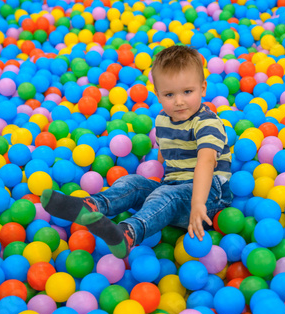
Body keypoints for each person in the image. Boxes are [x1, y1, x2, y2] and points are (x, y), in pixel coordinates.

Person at [41, 45, 232, 259]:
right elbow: (166, 150)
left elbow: (205, 162)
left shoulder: (207, 123)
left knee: (164, 195)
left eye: (187, 92)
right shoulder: (162, 119)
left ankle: (128, 233)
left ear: (203, 88)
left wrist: (198, 204)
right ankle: (91, 205)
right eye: (169, 94)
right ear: (158, 95)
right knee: (132, 182)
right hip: (174, 188)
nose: (179, 101)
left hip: (210, 196)